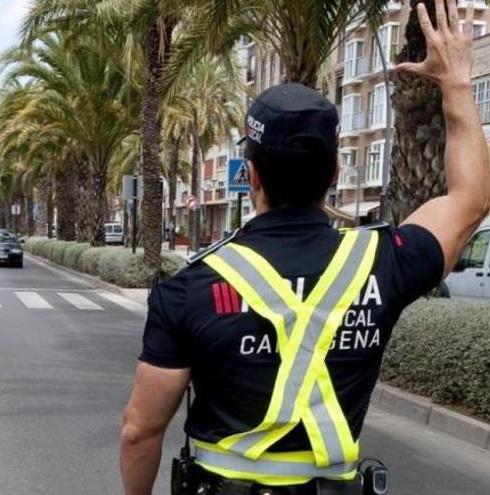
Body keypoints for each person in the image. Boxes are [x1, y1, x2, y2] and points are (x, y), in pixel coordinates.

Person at [119, 3, 490, 494]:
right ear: (336, 172)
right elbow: (470, 199)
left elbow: (140, 430)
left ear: (249, 175)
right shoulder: (384, 262)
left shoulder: (190, 288)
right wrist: (457, 84)